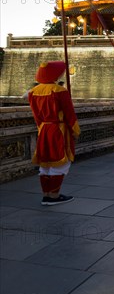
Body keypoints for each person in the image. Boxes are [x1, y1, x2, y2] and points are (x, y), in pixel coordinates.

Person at [28, 61, 80, 205]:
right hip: (59, 129)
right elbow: (70, 114)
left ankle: (46, 195)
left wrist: (42, 128)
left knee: (45, 164)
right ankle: (54, 195)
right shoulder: (59, 90)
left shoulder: (33, 92)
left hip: (44, 129)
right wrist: (75, 130)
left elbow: (36, 115)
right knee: (60, 162)